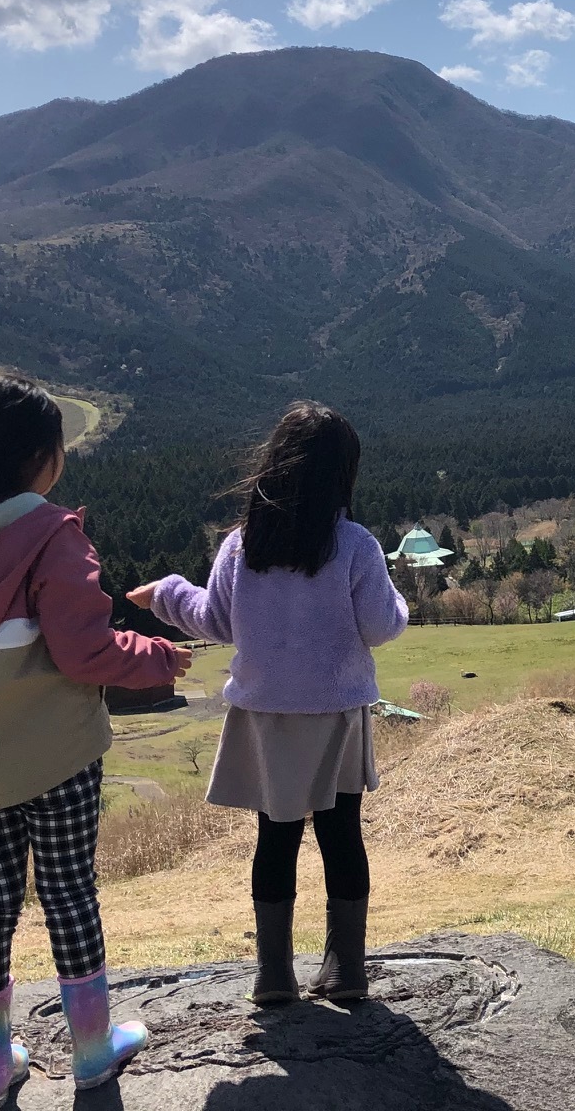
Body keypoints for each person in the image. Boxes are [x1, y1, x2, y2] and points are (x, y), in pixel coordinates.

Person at [0, 380, 189, 1110]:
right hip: (60, 756)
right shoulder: (52, 535)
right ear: (46, 459)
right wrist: (159, 659)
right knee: (69, 894)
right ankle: (94, 1053)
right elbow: (85, 652)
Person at [133, 400, 409, 1005]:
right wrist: (403, 603)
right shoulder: (356, 546)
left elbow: (213, 620)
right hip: (336, 714)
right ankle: (346, 970)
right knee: (342, 836)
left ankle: (273, 974)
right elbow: (383, 626)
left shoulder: (242, 545)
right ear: (343, 474)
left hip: (264, 716)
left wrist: (166, 593)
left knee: (274, 839)